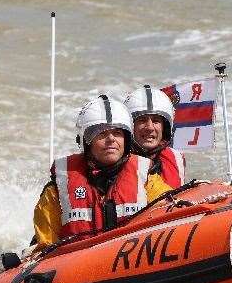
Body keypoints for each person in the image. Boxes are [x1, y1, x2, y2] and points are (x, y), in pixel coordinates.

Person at [32, 94, 173, 246]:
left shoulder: (146, 179)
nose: (111, 139)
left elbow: (171, 216)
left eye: (118, 133)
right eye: (102, 133)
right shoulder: (58, 189)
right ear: (87, 142)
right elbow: (46, 245)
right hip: (78, 265)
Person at [123, 85, 186, 187]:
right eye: (142, 120)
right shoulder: (115, 163)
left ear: (164, 128)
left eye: (156, 121)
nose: (150, 128)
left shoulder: (176, 158)